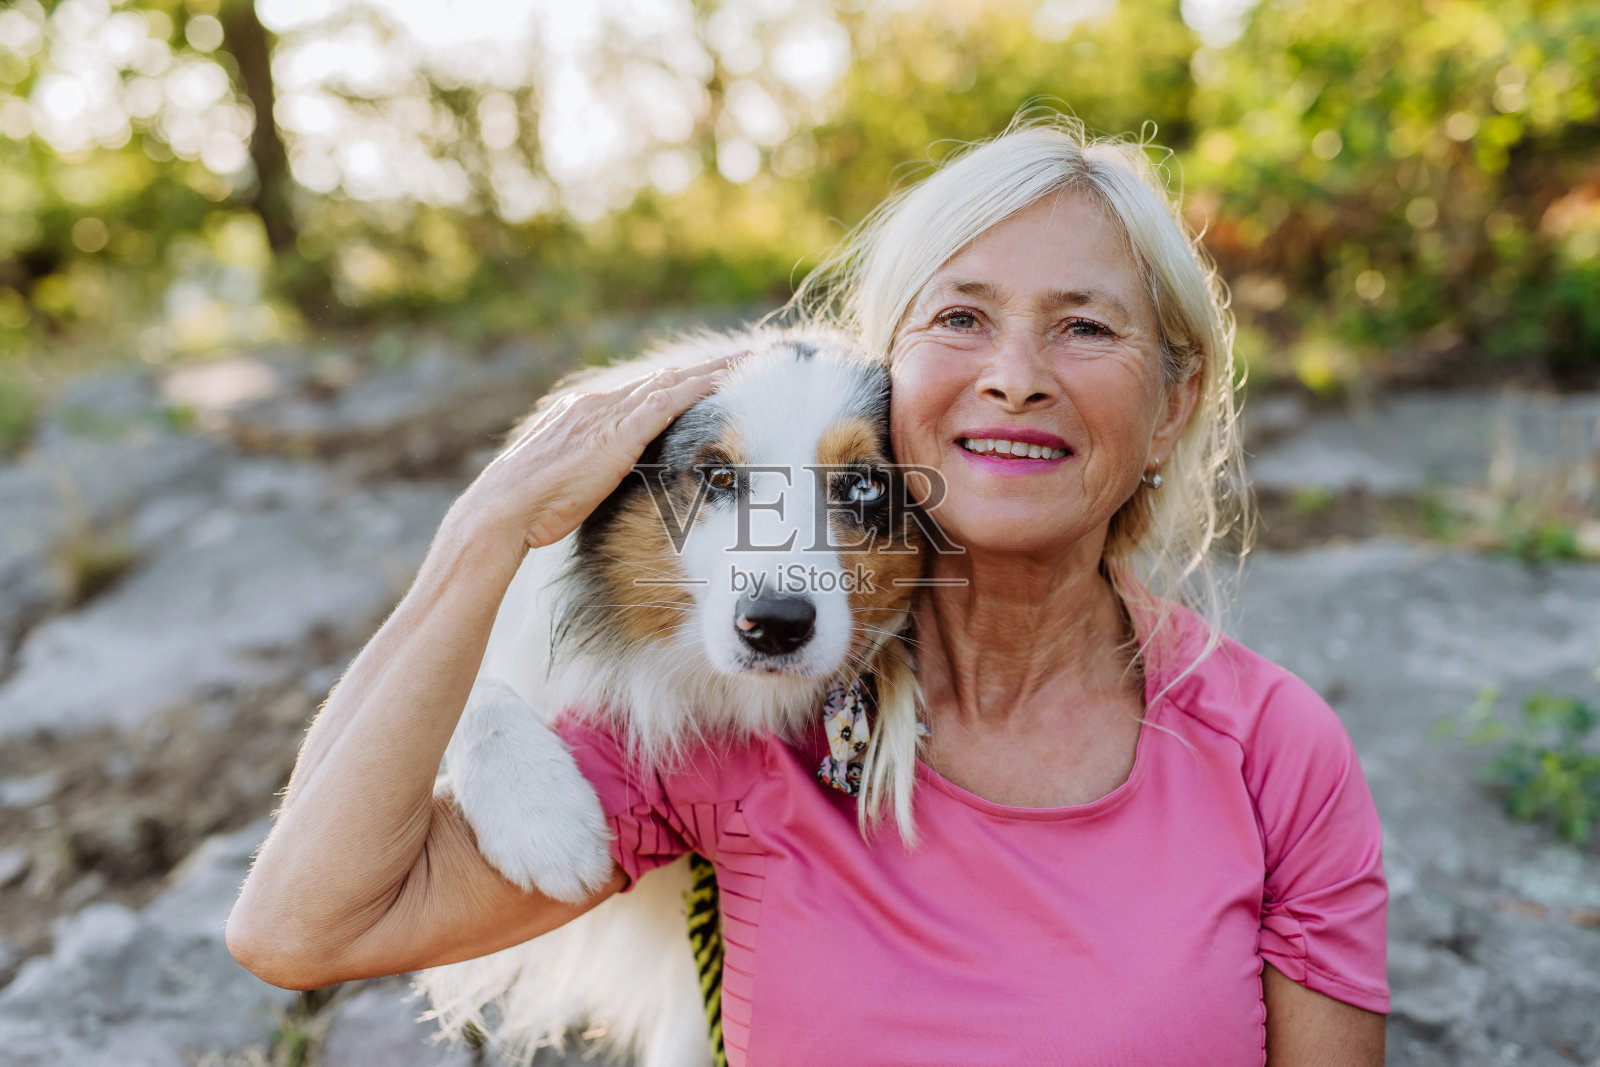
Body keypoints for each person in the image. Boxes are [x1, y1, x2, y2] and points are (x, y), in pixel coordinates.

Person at [227, 115, 1388, 1065]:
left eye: (1083, 326)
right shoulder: (741, 718)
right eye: (961, 318)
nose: (1014, 376)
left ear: (1171, 406)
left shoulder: (1271, 750)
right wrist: (486, 531)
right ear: (901, 373)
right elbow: (297, 924)